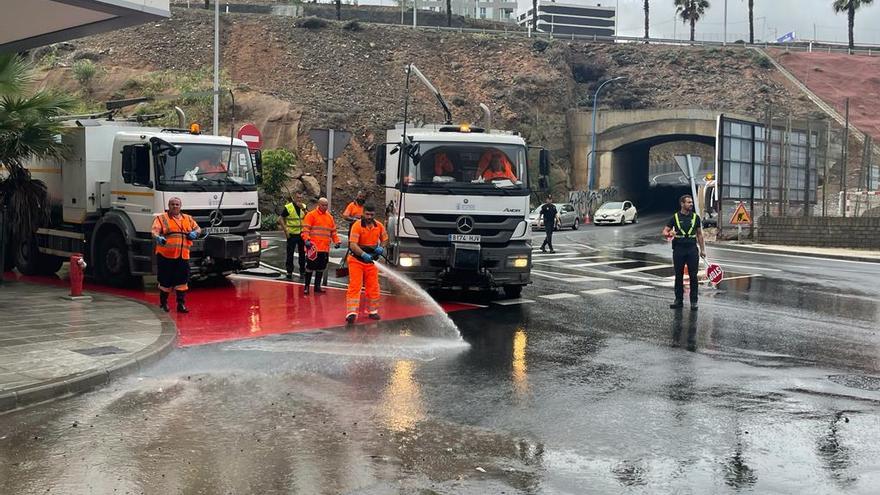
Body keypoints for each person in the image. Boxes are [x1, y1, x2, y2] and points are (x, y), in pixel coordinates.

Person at [151, 197, 201, 313]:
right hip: (166, 256)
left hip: (183, 256)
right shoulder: (161, 218)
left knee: (182, 281)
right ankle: (163, 304)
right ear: (169, 206)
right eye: (172, 204)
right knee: (165, 281)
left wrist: (195, 233)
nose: (175, 206)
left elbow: (198, 229)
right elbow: (154, 231)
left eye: (177, 204)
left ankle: (181, 304)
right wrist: (158, 237)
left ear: (180, 206)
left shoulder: (188, 218)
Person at [345, 203, 388, 324]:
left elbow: (385, 239)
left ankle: (373, 311)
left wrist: (381, 247)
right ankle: (351, 313)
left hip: (372, 262)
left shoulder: (378, 226)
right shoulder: (357, 226)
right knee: (355, 286)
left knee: (373, 287)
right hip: (356, 260)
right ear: (363, 213)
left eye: (372, 215)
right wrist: (363, 254)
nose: (369, 217)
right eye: (367, 214)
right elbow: (353, 245)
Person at [662, 194, 707, 310]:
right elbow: (665, 231)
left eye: (691, 202)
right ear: (682, 204)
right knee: (679, 276)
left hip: (692, 250)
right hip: (679, 250)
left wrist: (702, 250)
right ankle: (678, 300)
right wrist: (669, 234)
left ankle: (694, 301)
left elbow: (699, 235)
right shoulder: (675, 217)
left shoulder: (695, 218)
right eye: (689, 202)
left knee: (693, 276)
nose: (691, 204)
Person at [301, 197, 340, 295]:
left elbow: (333, 232)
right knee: (309, 267)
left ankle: (317, 287)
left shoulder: (329, 217)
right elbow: (305, 229)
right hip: (313, 248)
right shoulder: (311, 215)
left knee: (321, 268)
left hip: (324, 248)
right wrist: (306, 240)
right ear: (318, 204)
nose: (325, 207)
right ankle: (306, 287)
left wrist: (337, 241)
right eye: (323, 205)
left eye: (326, 205)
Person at [277, 192, 307, 280]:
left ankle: (302, 271)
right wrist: (285, 230)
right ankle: (289, 272)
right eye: (298, 197)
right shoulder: (288, 207)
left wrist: (304, 210)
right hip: (292, 234)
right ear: (294, 198)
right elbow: (280, 219)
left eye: (301, 197)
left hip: (301, 234)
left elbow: (309, 217)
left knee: (302, 254)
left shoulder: (304, 206)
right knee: (290, 254)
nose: (299, 199)